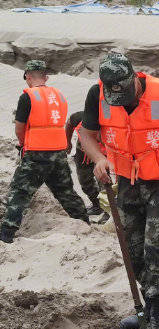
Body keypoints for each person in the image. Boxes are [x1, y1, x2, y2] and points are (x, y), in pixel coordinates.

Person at [79, 53, 159, 329]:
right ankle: (148, 306)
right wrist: (98, 159)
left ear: (135, 78)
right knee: (133, 250)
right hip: (127, 182)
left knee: (158, 247)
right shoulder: (97, 94)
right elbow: (86, 135)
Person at [0, 60, 89, 244]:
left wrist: (24, 144)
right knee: (66, 191)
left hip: (36, 154)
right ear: (46, 77)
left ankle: (7, 233)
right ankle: (84, 223)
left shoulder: (28, 96)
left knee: (20, 191)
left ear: (28, 76)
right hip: (58, 152)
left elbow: (19, 127)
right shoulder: (59, 95)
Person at [64, 111, 109, 223]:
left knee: (103, 180)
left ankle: (108, 211)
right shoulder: (80, 118)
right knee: (84, 181)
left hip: (101, 153)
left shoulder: (107, 127)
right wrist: (68, 142)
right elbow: (69, 123)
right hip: (82, 151)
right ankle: (96, 205)